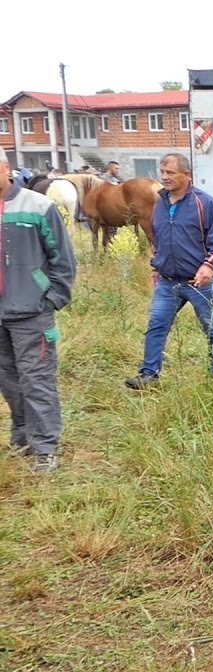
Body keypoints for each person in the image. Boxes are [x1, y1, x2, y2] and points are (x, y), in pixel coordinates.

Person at [124, 153, 213, 390]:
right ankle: (149, 374)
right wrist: (156, 266)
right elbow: (159, 239)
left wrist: (209, 266)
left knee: (212, 329)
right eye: (162, 172)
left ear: (187, 175)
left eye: (170, 173)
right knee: (156, 326)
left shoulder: (205, 203)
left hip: (199, 282)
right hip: (168, 282)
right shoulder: (160, 204)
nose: (164, 177)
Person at [0, 154, 77, 473]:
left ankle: (45, 447)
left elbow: (62, 258)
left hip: (32, 313)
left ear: (5, 170)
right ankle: (22, 437)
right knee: (9, 381)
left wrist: (51, 299)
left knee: (37, 380)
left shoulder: (37, 206)